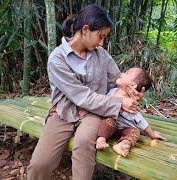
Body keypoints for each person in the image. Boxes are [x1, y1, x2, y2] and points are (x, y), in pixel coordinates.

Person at [27, 4, 145, 180]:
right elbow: (82, 96)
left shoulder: (101, 55)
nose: (101, 42)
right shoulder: (57, 58)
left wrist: (131, 92)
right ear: (85, 29)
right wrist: (120, 103)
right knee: (40, 164)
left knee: (83, 145)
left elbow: (118, 79)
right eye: (100, 36)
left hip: (94, 114)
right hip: (63, 113)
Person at [95, 67, 167, 157]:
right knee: (108, 120)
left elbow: (140, 121)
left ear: (133, 85)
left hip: (125, 129)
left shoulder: (130, 103)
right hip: (110, 125)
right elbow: (102, 104)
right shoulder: (112, 92)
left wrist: (152, 135)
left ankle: (124, 144)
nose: (122, 73)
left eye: (127, 73)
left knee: (135, 131)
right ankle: (101, 139)